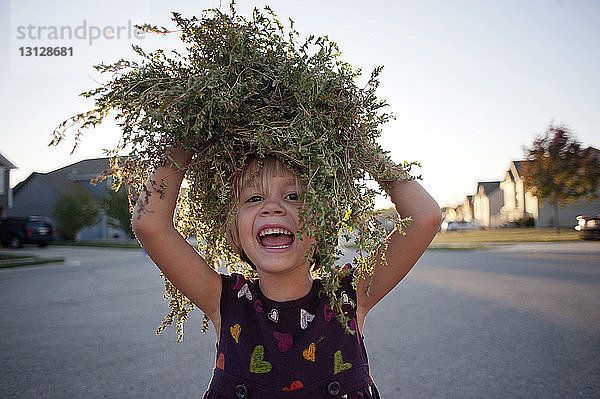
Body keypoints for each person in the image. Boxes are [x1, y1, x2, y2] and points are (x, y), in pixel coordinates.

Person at [132, 145, 441, 398]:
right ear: (235, 230)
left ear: (323, 224)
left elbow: (424, 217)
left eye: (293, 196)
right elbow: (150, 224)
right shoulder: (224, 301)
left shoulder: (351, 297)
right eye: (254, 198)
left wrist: (359, 144)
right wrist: (186, 140)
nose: (272, 207)